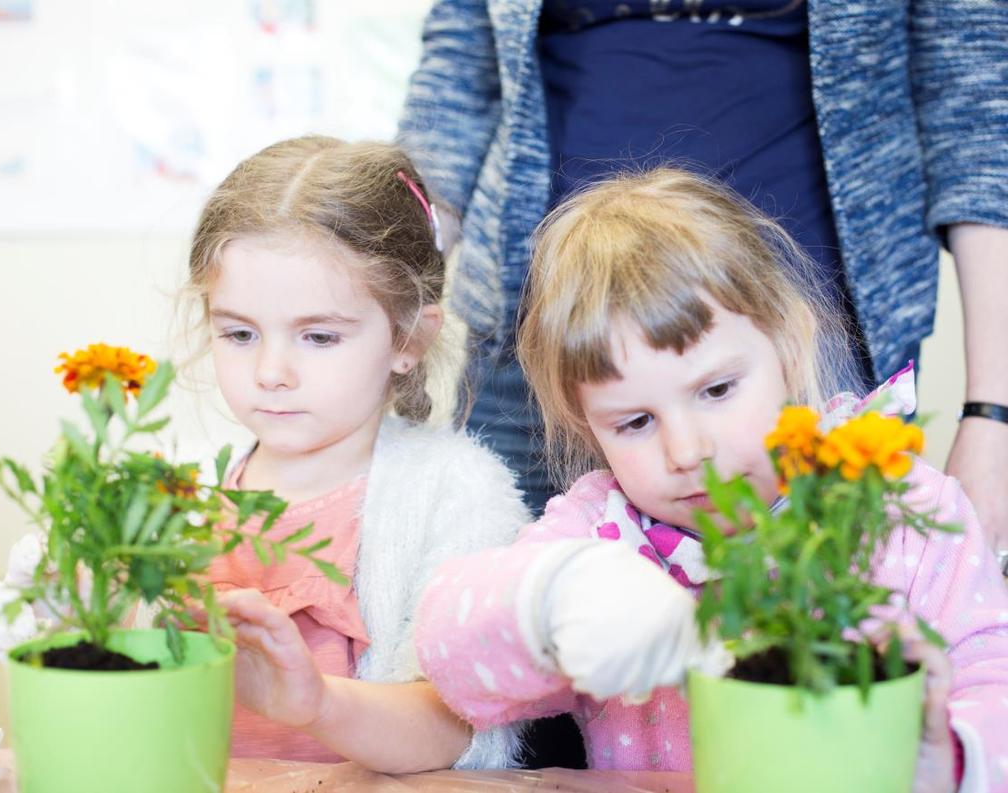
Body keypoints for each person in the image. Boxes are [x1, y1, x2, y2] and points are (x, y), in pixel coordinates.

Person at [413, 169, 1008, 790]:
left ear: (789, 342)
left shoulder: (897, 503)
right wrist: (552, 596)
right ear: (587, 426)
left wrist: (945, 758)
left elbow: (995, 672)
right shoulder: (601, 533)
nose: (688, 449)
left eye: (717, 389)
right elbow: (450, 657)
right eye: (636, 421)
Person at [397, 0, 1008, 560]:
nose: (688, 453)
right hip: (544, 329)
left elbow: (978, 112)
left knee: (833, 632)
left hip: (813, 335)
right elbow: (459, 76)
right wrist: (392, 276)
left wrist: (994, 413)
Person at [182, 135, 531, 772]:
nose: (271, 372)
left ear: (409, 337)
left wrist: (319, 704)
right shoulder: (174, 488)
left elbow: (460, 730)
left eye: (318, 336)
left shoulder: (457, 494)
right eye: (239, 333)